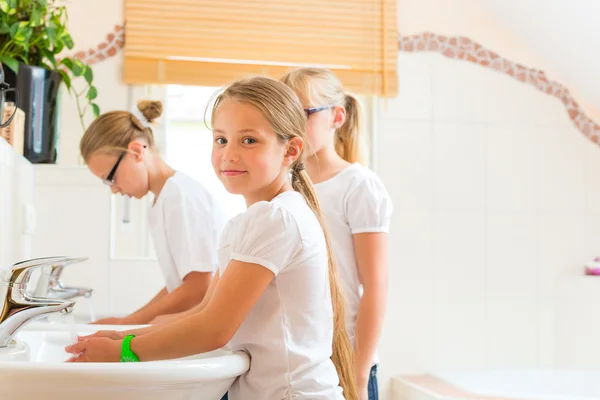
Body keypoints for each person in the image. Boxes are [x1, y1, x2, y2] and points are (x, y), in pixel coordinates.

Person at [66, 77, 358, 400]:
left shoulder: (277, 218)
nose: (228, 154)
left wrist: (124, 349)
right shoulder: (248, 223)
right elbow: (204, 310)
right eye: (221, 140)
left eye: (248, 141)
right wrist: (124, 335)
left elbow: (214, 328)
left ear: (289, 150)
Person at [282, 68, 393, 400]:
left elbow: (376, 284)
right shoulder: (283, 186)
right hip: (300, 356)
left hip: (344, 358)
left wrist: (358, 374)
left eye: (304, 113)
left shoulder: (358, 185)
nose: (292, 125)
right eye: (285, 113)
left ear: (337, 116)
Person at [79, 100, 227, 325]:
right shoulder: (164, 199)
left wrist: (127, 324)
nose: (114, 189)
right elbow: (179, 285)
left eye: (110, 178)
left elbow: (199, 287)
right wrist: (129, 320)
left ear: (137, 152)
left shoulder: (180, 196)